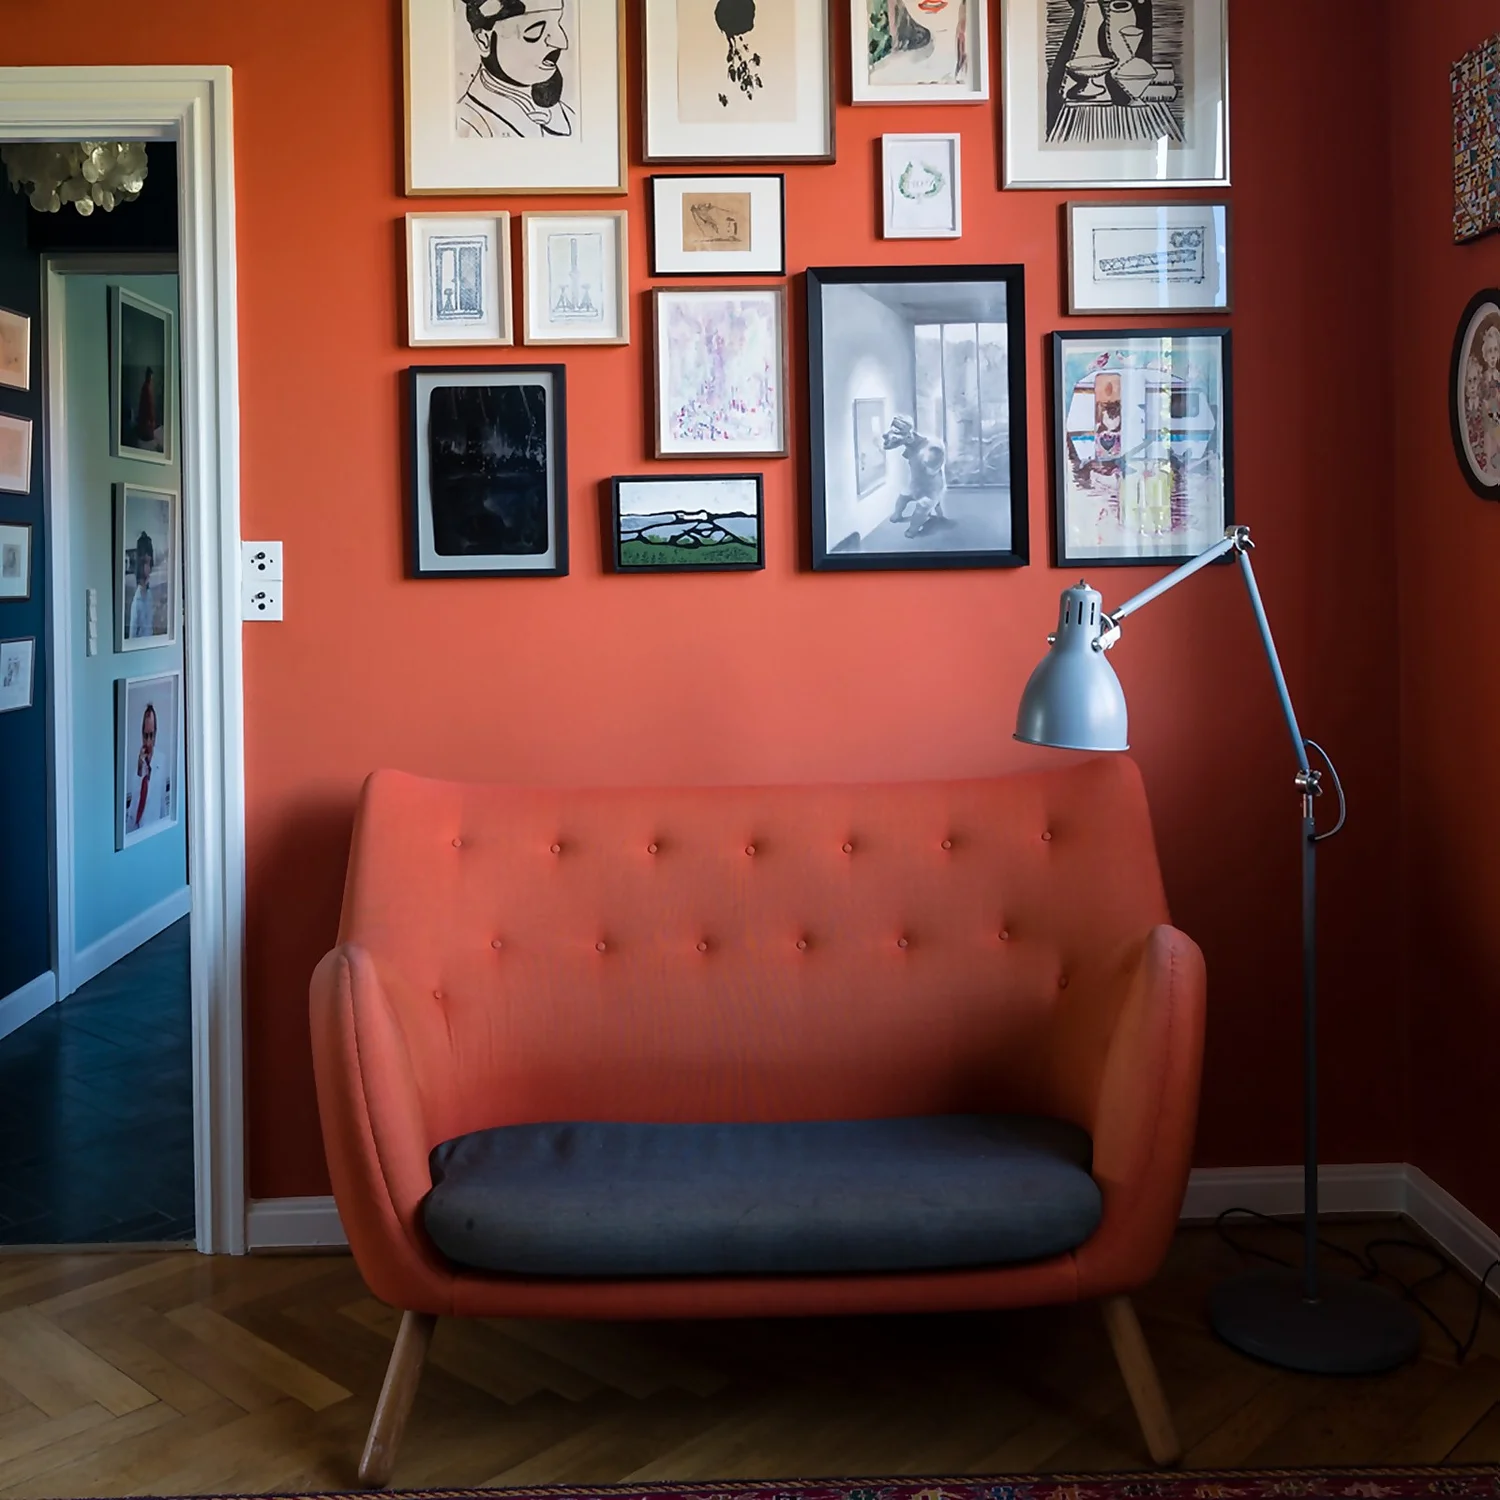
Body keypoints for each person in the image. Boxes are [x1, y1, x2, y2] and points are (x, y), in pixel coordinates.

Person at [457, 0, 575, 140]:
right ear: (484, 41)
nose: (561, 43)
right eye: (535, 31)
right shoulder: (467, 125)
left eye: (558, 24)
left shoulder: (568, 115)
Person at [125, 701, 170, 834]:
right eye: (145, 736)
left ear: (155, 734)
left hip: (154, 831)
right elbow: (133, 812)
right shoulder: (138, 769)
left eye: (151, 735)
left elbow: (162, 804)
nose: (148, 742)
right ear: (141, 735)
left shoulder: (162, 761)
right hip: (136, 831)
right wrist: (140, 772)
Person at [128, 531, 157, 640]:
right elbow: (132, 637)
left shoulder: (149, 595)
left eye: (149, 563)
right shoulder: (136, 603)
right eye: (146, 563)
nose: (148, 568)